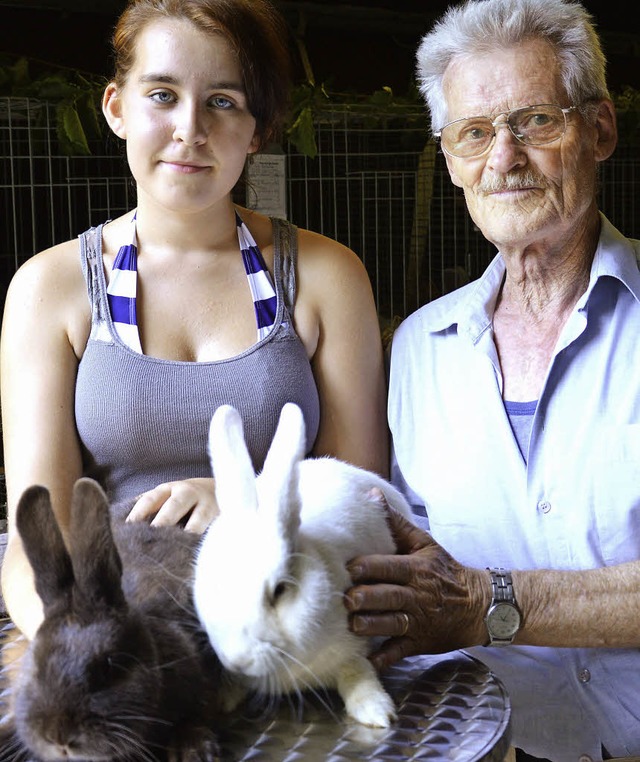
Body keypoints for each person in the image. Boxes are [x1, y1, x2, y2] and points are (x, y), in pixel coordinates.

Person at [0, 0, 387, 641]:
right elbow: (37, 533)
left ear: (257, 130)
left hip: (285, 633)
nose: (190, 128)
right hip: (111, 633)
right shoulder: (53, 287)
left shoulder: (324, 276)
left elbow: (363, 496)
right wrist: (77, 650)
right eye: (162, 94)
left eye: (224, 102)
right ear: (117, 108)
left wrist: (246, 506)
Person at [344, 0, 640, 760]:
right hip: (483, 743)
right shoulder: (416, 351)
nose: (503, 158)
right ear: (450, 160)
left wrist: (489, 605)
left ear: (600, 130)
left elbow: (461, 601)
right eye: (475, 133)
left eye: (536, 120)